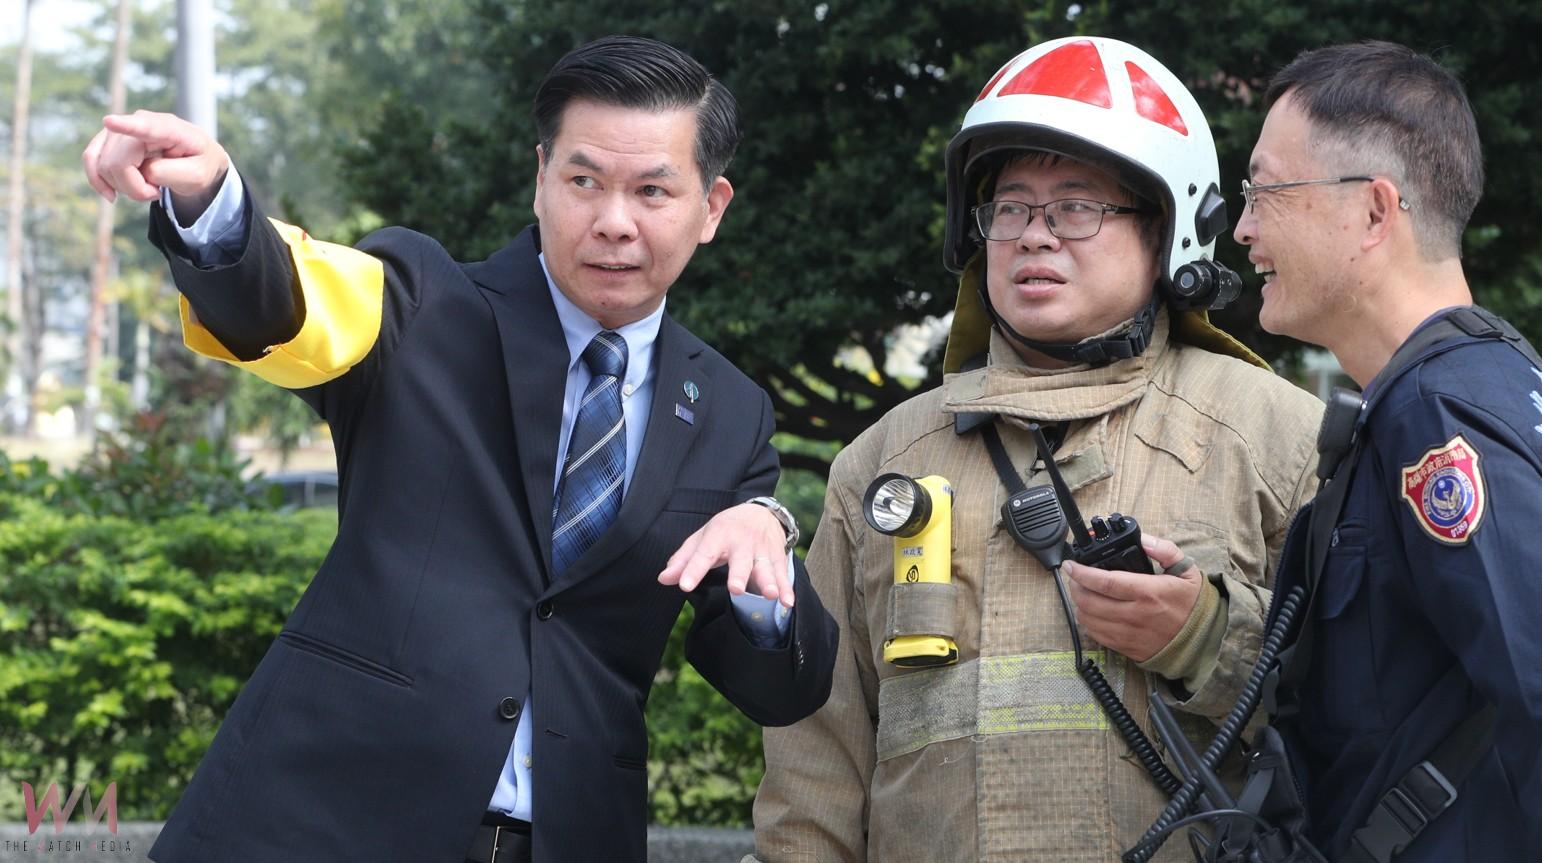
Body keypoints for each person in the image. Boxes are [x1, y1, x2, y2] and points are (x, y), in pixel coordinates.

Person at [82, 36, 837, 863]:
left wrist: (770, 574)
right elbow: (287, 302)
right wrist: (215, 205)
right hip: (323, 823)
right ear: (540, 178)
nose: (614, 221)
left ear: (712, 206)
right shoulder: (424, 302)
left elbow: (779, 689)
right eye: (584, 181)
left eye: (653, 190)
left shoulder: (730, 413)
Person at [753, 36, 1323, 862]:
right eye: (1011, 207)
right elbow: (816, 768)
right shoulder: (880, 462)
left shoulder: (1272, 436)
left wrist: (1208, 637)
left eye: (1077, 206)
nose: (1033, 235)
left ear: (1167, 230)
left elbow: (1374, 711)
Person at [1236, 41, 1542, 862]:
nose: (1243, 227)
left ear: (1374, 211)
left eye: (1265, 191)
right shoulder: (1486, 387)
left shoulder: (1437, 418)